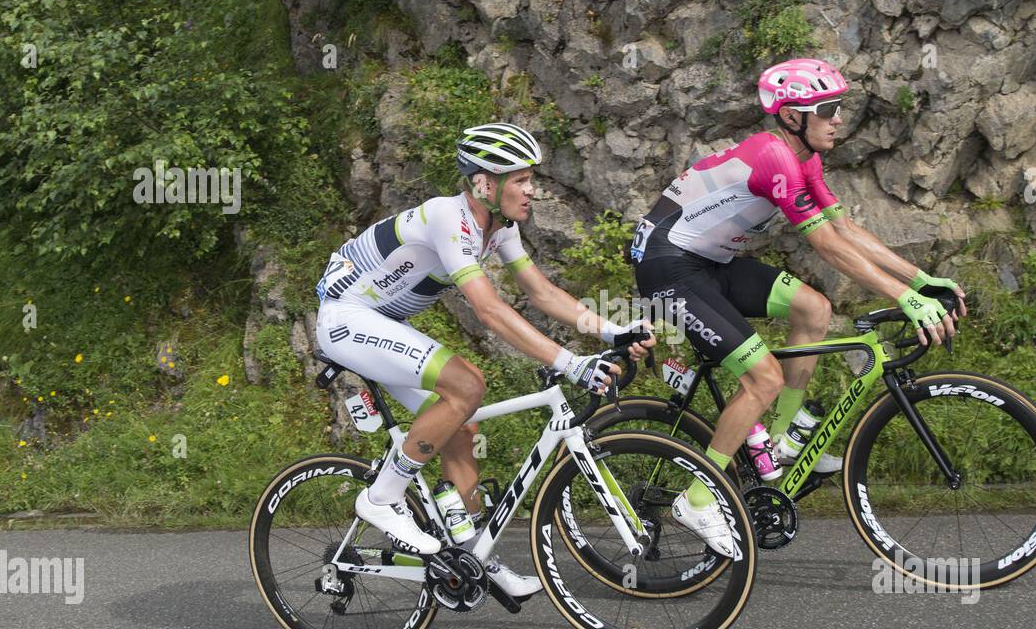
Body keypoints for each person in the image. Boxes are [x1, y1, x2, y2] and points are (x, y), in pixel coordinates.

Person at [629, 58, 967, 557]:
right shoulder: (774, 158)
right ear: (791, 117)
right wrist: (905, 299)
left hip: (710, 261)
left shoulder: (804, 157)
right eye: (826, 109)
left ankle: (783, 441)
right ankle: (698, 499)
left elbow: (846, 229)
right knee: (762, 377)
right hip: (667, 264)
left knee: (813, 308)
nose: (837, 119)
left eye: (837, 108)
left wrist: (919, 279)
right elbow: (827, 246)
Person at [315, 122, 654, 598]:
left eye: (530, 178)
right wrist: (571, 363)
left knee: (463, 427)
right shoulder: (446, 217)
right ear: (484, 183)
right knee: (467, 385)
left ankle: (475, 556)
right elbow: (490, 310)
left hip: (384, 322)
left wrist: (612, 330)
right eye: (520, 179)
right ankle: (382, 497)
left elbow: (541, 292)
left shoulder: (498, 228)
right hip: (347, 319)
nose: (532, 190)